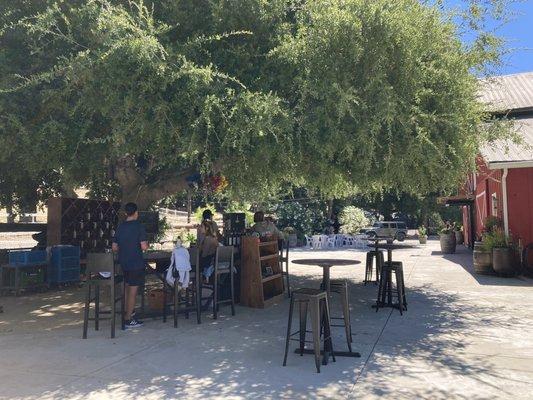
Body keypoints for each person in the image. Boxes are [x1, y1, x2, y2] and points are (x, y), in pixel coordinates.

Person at [112, 202, 148, 329]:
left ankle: (128, 312)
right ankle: (128, 319)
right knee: (133, 291)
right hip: (135, 262)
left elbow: (114, 247)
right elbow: (143, 246)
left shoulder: (120, 227)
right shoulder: (139, 226)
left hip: (124, 262)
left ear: (126, 213)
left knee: (127, 289)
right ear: (136, 213)